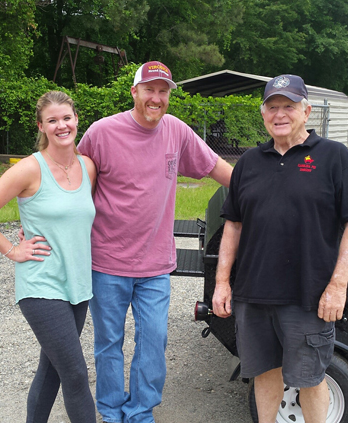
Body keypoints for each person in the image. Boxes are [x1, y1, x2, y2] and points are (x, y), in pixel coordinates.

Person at [76, 61, 233, 423]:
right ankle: (112, 411)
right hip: (107, 262)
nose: (157, 98)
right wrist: (38, 221)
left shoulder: (176, 131)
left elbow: (215, 167)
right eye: (150, 89)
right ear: (134, 92)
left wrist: (263, 189)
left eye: (163, 91)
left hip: (155, 265)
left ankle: (140, 411)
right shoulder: (101, 132)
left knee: (153, 342)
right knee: (108, 344)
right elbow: (71, 181)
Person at [212, 75, 348, 423]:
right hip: (253, 296)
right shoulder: (249, 163)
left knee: (310, 380)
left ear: (306, 111)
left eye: (289, 106)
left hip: (308, 296)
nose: (280, 114)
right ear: (263, 113)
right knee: (265, 374)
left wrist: (337, 285)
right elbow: (233, 225)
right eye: (273, 107)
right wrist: (223, 282)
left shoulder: (334, 157)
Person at [0, 91, 97, 423]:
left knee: (51, 370)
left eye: (66, 118)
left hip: (77, 287)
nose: (61, 126)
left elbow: (76, 219)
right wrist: (13, 249)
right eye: (52, 120)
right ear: (41, 126)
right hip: (40, 286)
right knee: (77, 376)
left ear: (76, 120)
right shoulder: (29, 169)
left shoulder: (88, 167)